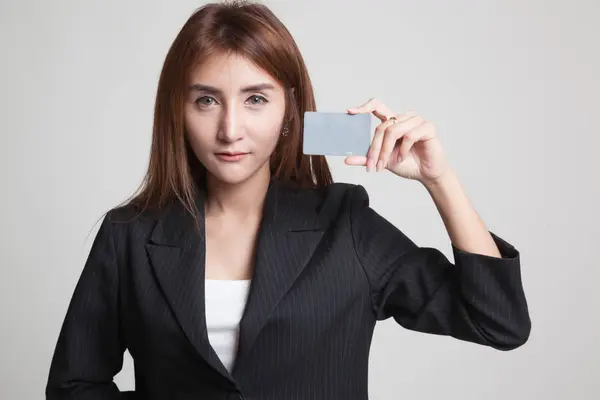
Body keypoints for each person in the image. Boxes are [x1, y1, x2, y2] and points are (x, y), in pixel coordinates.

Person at [45, 1, 531, 399]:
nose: (230, 129)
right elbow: (75, 384)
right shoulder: (129, 235)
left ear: (288, 110)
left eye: (256, 99)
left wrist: (438, 179)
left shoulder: (346, 224)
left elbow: (498, 322)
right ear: (178, 109)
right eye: (206, 100)